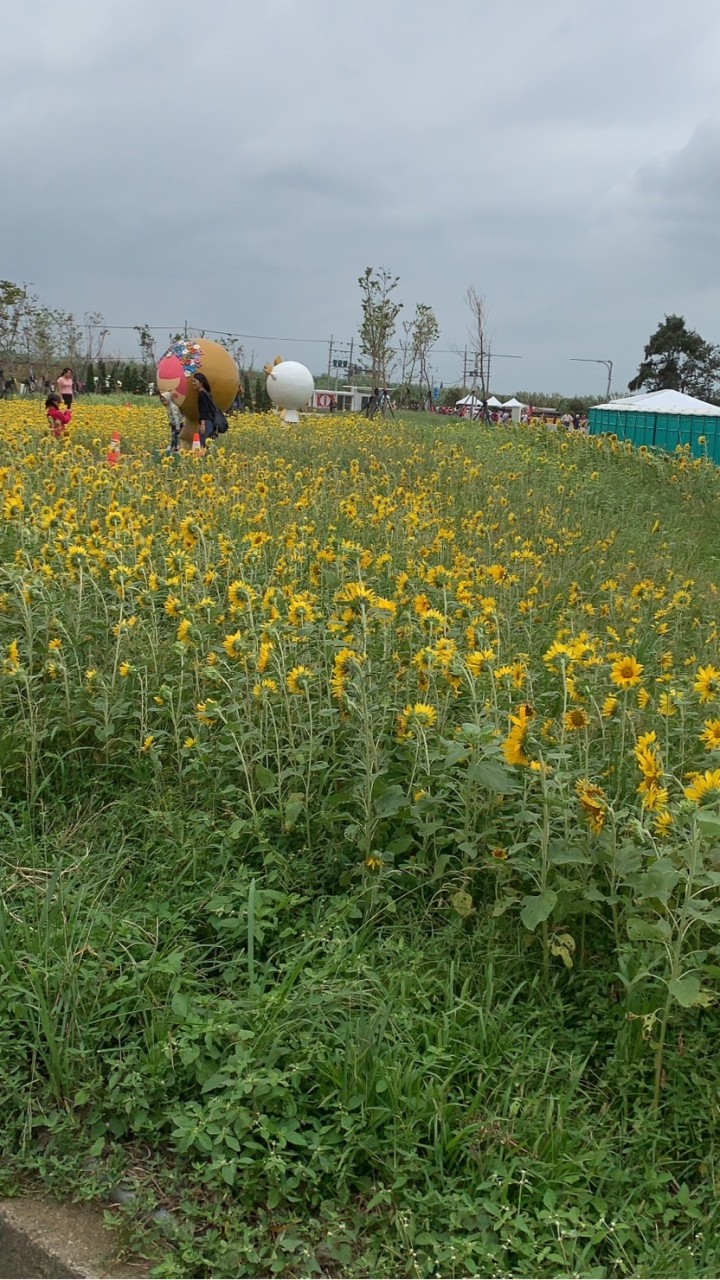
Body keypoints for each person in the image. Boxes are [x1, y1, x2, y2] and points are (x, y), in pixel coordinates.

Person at [192, 372, 218, 446]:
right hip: (210, 421)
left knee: (204, 443)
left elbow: (204, 410)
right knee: (208, 442)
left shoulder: (202, 394)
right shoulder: (207, 393)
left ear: (201, 383)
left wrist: (203, 425)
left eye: (194, 381)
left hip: (206, 422)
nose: (193, 383)